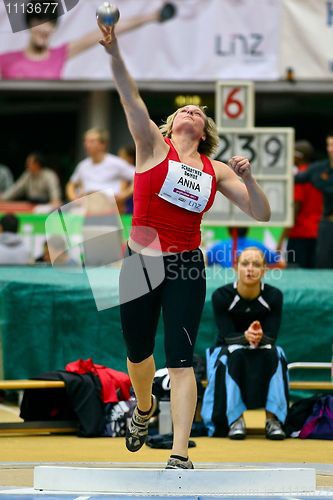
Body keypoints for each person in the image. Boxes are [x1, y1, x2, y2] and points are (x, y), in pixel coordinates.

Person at [98, 20, 270, 470]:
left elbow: (262, 214)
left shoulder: (217, 169)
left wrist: (250, 178)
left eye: (199, 110)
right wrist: (114, 52)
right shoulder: (152, 147)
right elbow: (129, 97)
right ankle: (142, 408)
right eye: (185, 110)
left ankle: (178, 454)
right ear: (171, 124)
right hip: (140, 263)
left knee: (180, 359)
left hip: (185, 268)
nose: (192, 111)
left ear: (205, 128)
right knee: (138, 352)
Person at [201, 248, 288, 440]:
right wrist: (245, 336)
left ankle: (273, 420)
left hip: (262, 347)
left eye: (256, 264)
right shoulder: (221, 296)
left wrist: (258, 337)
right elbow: (226, 335)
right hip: (229, 348)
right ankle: (235, 420)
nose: (250, 269)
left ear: (264, 269)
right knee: (233, 353)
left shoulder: (274, 296)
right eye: (245, 264)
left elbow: (272, 336)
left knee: (276, 352)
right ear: (235, 267)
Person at [0, 2, 177, 80]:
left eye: (50, 24)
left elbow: (106, 30)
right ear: (29, 25)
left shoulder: (59, 55)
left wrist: (153, 16)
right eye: (39, 22)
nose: (45, 29)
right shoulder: (6, 60)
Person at [66, 128, 134, 214]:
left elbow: (137, 177)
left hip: (110, 208)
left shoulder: (116, 163)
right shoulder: (83, 165)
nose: (87, 144)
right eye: (85, 141)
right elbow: (71, 184)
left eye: (92, 141)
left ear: (103, 144)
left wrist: (123, 196)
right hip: (87, 208)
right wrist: (74, 199)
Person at [277, 140, 322, 268]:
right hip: (319, 233)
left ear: (298, 156)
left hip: (300, 235)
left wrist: (281, 240)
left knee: (296, 275)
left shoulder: (300, 177)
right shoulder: (318, 175)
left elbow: (295, 210)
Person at [295, 132, 333, 268]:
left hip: (306, 228)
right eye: (329, 145)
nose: (330, 149)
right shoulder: (318, 169)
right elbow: (295, 178)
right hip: (325, 224)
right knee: (323, 264)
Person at [206, 227, 280, 268]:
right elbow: (280, 264)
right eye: (244, 264)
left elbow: (204, 263)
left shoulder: (219, 246)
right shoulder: (258, 245)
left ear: (228, 230)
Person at [117, 144, 136, 214]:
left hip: (130, 209)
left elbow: (124, 194)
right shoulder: (120, 173)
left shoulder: (134, 172)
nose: (119, 160)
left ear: (130, 158)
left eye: (122, 157)